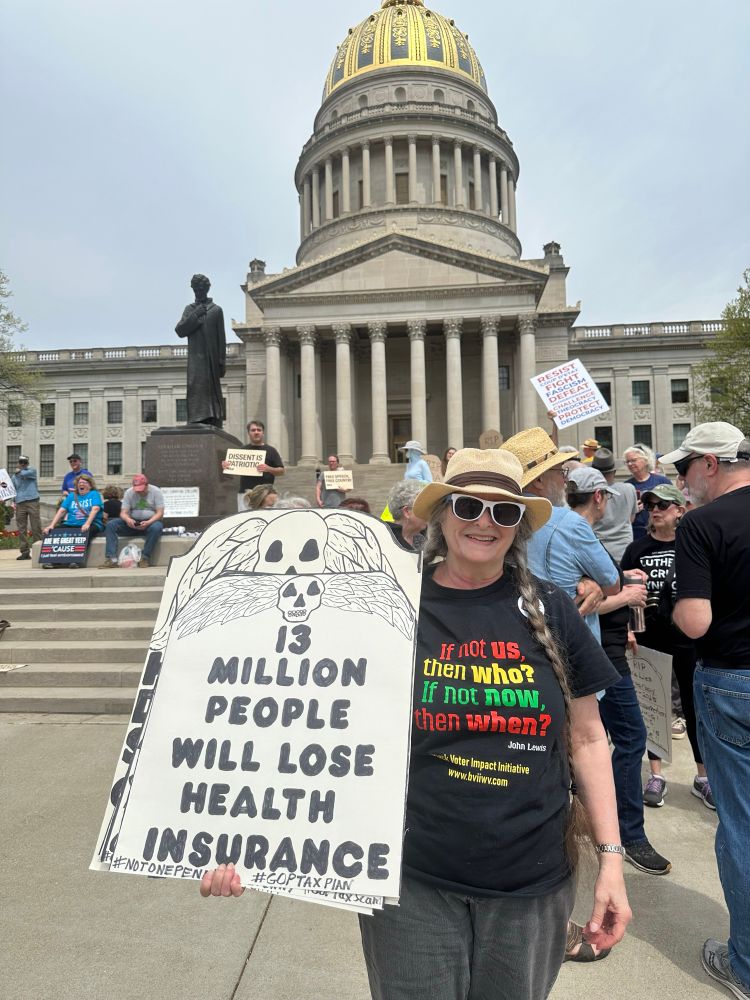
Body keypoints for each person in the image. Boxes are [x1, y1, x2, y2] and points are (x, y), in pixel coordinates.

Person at [200, 448, 631, 999]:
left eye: (503, 512)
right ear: (442, 513)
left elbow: (590, 739)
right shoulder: (383, 605)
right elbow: (299, 717)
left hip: (531, 878)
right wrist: (241, 839)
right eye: (470, 506)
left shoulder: (550, 606)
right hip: (408, 877)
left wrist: (611, 862)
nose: (484, 522)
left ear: (518, 526)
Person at [665, 422, 750, 999]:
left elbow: (695, 621)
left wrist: (671, 606)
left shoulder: (701, 525)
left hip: (732, 683)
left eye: (683, 469)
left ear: (710, 464)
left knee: (742, 825)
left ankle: (745, 964)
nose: (681, 483)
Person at [564, 471, 672, 876]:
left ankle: (596, 823)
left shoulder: (577, 534)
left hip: (605, 649)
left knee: (595, 740)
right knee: (627, 738)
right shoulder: (574, 530)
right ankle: (628, 834)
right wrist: (624, 593)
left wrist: (617, 594)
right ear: (599, 497)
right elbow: (575, 606)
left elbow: (592, 594)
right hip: (599, 659)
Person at [621, 484, 708, 808]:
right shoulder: (637, 549)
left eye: (663, 504)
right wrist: (628, 630)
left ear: (678, 510)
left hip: (686, 638)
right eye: (650, 504)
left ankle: (703, 776)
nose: (655, 509)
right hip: (648, 636)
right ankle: (656, 774)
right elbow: (624, 594)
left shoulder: (692, 546)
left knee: (693, 706)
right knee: (655, 707)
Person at [504, 429, 620, 641]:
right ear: (539, 481)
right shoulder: (569, 523)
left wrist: (587, 579)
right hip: (567, 642)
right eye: (561, 472)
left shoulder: (497, 520)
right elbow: (612, 583)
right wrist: (590, 581)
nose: (565, 480)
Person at [174, 273, 227, 427]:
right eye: (196, 289)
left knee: (211, 388)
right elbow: (180, 331)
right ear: (193, 290)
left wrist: (222, 361)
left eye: (202, 289)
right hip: (196, 358)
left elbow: (221, 337)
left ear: (207, 289)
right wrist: (195, 315)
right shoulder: (189, 309)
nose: (199, 292)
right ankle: (196, 417)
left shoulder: (216, 310)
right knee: (195, 385)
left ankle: (213, 417)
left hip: (212, 357)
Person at [99, 474, 164, 568]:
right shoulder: (129, 492)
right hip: (132, 522)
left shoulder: (156, 491)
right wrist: (128, 519)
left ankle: (145, 557)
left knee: (157, 527)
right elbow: (123, 513)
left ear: (147, 485)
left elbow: (160, 513)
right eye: (137, 489)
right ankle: (112, 559)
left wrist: (148, 522)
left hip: (150, 522)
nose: (139, 492)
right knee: (111, 524)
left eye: (141, 489)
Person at [223, 420, 285, 512]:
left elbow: (282, 471)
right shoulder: (241, 451)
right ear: (249, 433)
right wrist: (226, 466)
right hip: (245, 494)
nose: (256, 432)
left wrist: (268, 469)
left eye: (259, 430)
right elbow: (231, 472)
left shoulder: (271, 450)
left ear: (263, 433)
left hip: (266, 494)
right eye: (253, 430)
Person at [43, 474, 104, 564]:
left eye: (84, 482)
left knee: (85, 532)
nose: (81, 484)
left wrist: (87, 523)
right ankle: (52, 561)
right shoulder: (72, 496)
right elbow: (62, 511)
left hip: (91, 523)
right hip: (72, 523)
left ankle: (75, 561)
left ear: (90, 485)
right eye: (79, 482)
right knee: (54, 532)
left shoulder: (94, 494)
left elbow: (95, 509)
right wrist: (51, 525)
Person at [592, 448, 637, 563]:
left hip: (598, 553)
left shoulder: (590, 494)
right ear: (614, 471)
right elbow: (631, 519)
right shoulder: (629, 488)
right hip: (625, 551)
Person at [623, 444, 670, 540]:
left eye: (633, 460)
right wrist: (633, 509)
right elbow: (620, 517)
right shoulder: (626, 486)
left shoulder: (662, 481)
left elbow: (675, 505)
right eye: (627, 461)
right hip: (636, 534)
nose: (630, 464)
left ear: (645, 460)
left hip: (660, 531)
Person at [11, 455, 42, 561]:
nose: (23, 464)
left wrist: (19, 471)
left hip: (32, 501)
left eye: (25, 462)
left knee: (36, 526)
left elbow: (26, 473)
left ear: (28, 463)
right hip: (20, 502)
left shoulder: (31, 471)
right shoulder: (15, 476)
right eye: (21, 462)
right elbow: (11, 488)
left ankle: (38, 550)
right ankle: (24, 552)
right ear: (18, 463)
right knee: (21, 528)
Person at [385, 479, 428, 550]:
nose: (428, 513)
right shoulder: (383, 540)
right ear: (407, 512)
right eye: (424, 508)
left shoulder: (422, 541)